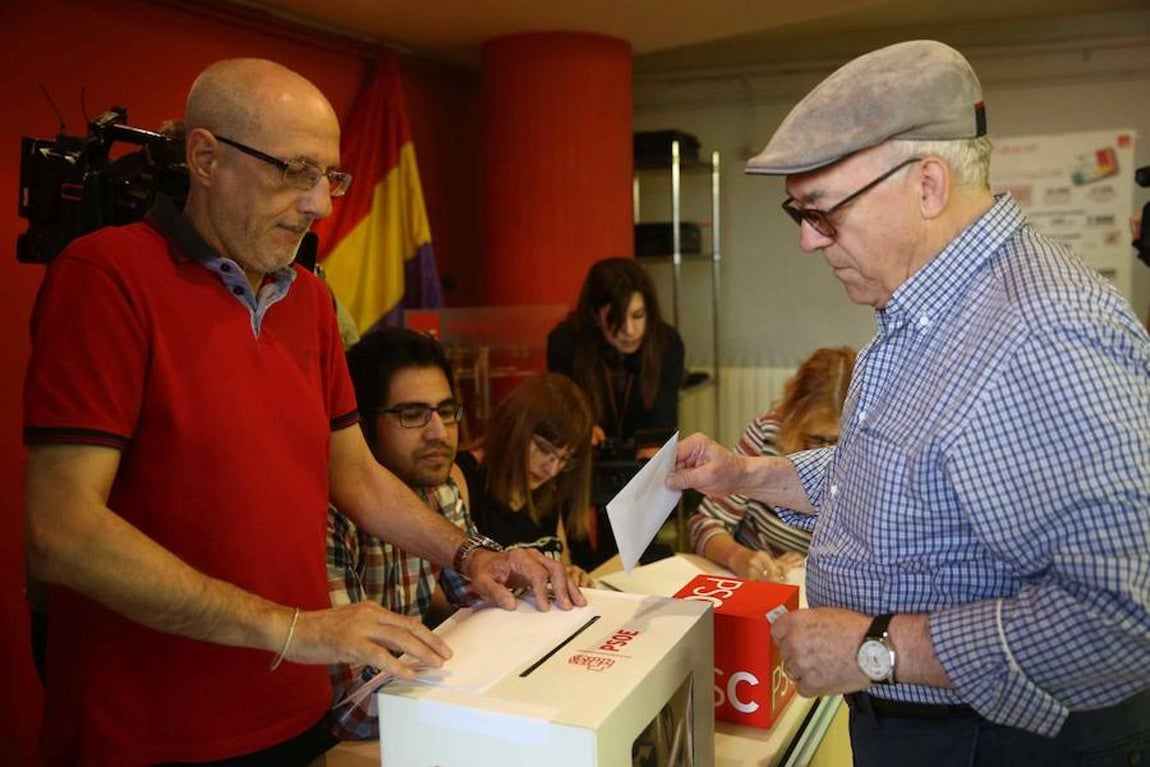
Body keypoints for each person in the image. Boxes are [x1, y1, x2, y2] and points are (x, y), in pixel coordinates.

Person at [22, 58, 581, 767]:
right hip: (149, 731)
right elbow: (60, 530)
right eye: (295, 171)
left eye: (331, 177)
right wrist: (294, 628)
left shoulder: (311, 301)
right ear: (205, 158)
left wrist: (472, 554)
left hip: (295, 712)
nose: (320, 202)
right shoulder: (105, 276)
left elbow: (354, 474)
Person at [667, 40, 1150, 766]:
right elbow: (896, 475)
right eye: (795, 211)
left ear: (927, 184)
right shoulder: (930, 309)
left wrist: (875, 647)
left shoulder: (1043, 330)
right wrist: (746, 475)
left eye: (822, 211)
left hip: (995, 742)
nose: (805, 239)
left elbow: (1120, 617)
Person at [327, 327, 479, 740]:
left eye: (447, 412)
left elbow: (485, 596)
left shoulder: (439, 489)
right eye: (412, 415)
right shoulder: (329, 510)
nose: (439, 433)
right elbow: (351, 707)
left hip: (418, 715)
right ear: (359, 424)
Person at [688, 346, 854, 581]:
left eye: (839, 441)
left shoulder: (876, 456)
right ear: (793, 417)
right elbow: (703, 523)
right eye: (817, 439)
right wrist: (740, 557)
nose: (826, 452)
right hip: (760, 582)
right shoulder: (768, 432)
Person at [456, 373, 597, 587]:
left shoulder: (548, 485)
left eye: (564, 460)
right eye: (543, 448)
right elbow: (441, 591)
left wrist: (569, 574)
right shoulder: (464, 475)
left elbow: (561, 562)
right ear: (515, 426)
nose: (551, 469)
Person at [547, 256, 685, 455]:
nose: (629, 330)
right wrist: (579, 428)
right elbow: (562, 417)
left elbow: (661, 428)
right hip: (585, 461)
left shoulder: (668, 344)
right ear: (595, 315)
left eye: (638, 315)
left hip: (644, 462)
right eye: (616, 319)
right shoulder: (565, 343)